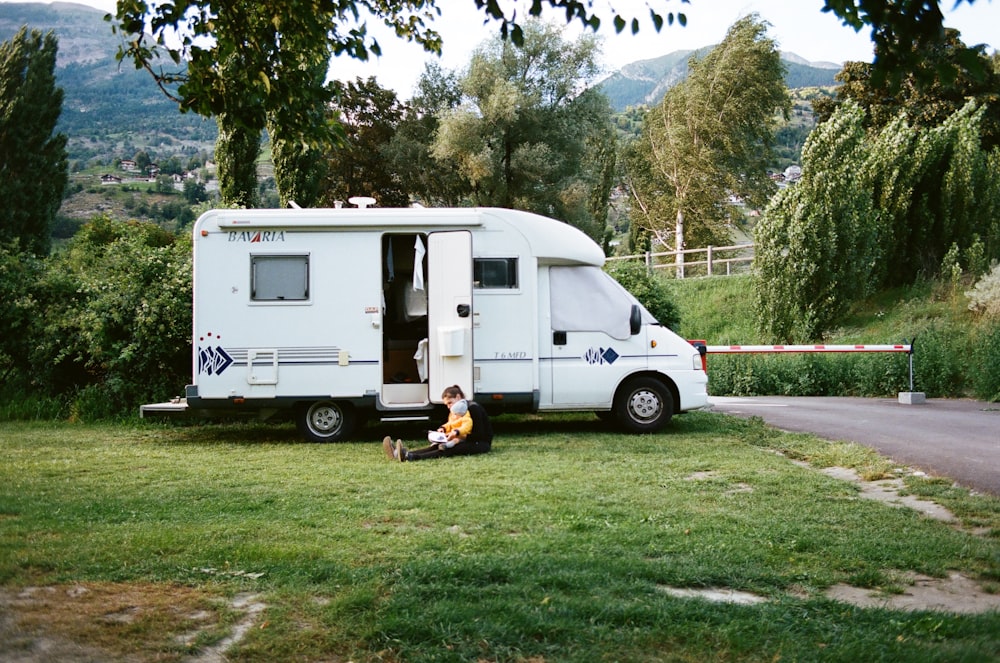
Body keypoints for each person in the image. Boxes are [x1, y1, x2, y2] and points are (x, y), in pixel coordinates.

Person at [382, 384, 493, 462]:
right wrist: (443, 431)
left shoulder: (473, 408)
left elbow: (480, 435)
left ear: (458, 397)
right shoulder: (457, 411)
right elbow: (451, 425)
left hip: (480, 443)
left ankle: (410, 457)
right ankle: (403, 453)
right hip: (463, 439)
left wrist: (458, 437)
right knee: (438, 445)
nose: (449, 407)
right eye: (447, 405)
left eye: (450, 403)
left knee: (446, 448)